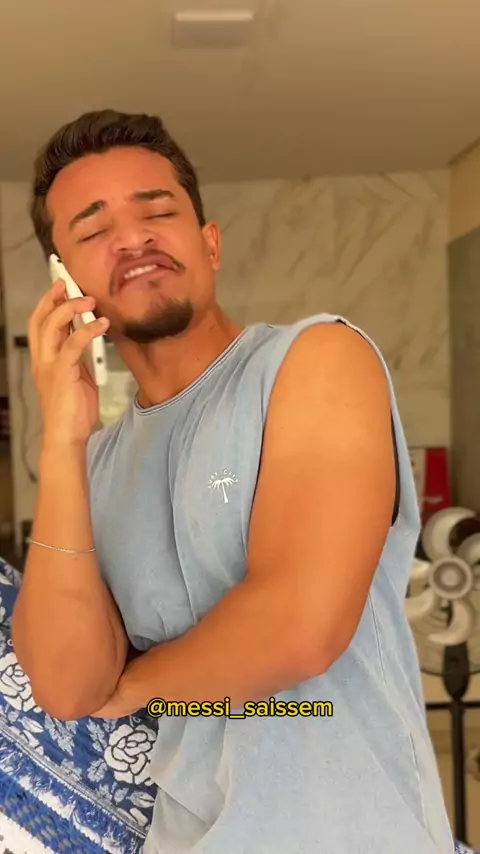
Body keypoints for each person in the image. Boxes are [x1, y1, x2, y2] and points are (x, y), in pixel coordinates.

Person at [11, 109, 454, 853]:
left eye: (157, 211)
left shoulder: (316, 361)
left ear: (209, 243)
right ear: (65, 287)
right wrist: (61, 441)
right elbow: (64, 685)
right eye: (94, 230)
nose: (132, 238)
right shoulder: (92, 466)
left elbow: (300, 627)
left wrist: (131, 686)